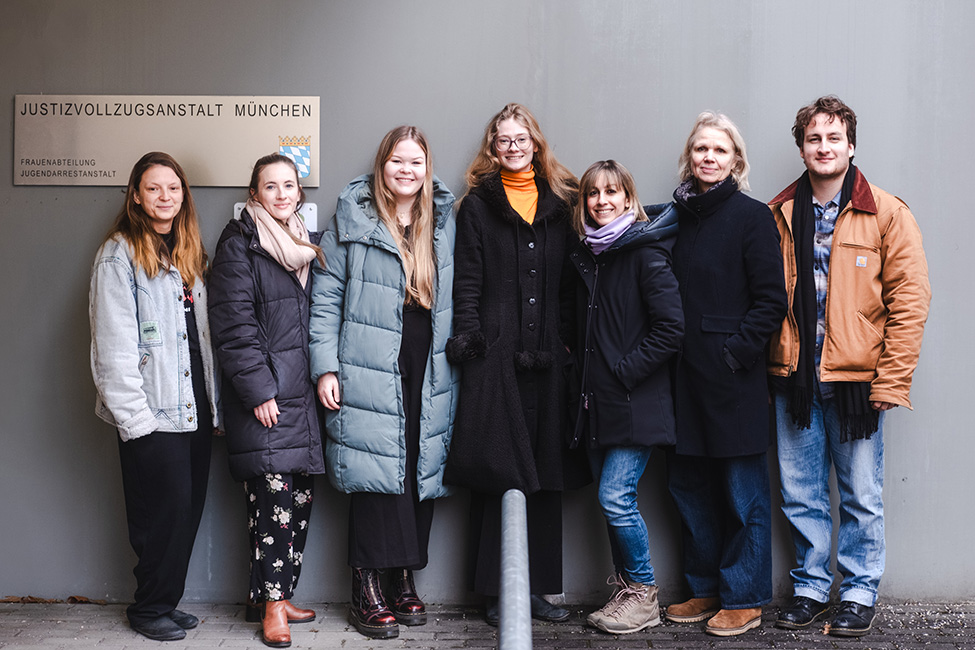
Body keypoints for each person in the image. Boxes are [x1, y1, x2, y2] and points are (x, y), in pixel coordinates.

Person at [768, 96, 930, 638]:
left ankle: (859, 591)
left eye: (833, 138)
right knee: (800, 492)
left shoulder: (886, 211)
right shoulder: (778, 213)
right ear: (802, 147)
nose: (823, 147)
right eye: (814, 139)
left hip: (858, 382)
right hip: (795, 378)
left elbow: (910, 302)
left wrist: (892, 380)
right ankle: (811, 588)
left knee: (861, 492)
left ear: (851, 145)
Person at [309, 126, 458, 640]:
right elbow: (325, 297)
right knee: (375, 468)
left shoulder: (443, 221)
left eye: (416, 161)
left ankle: (402, 577)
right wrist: (325, 366)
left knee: (418, 462)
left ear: (427, 167)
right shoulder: (352, 218)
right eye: (398, 160)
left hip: (429, 361)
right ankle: (365, 586)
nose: (407, 170)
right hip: (369, 359)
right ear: (382, 164)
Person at [444, 102, 584, 626]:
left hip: (549, 358)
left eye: (520, 137)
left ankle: (538, 590)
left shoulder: (560, 204)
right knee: (498, 468)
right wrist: (472, 342)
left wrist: (567, 346)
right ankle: (495, 592)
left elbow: (569, 285)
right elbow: (469, 279)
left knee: (544, 472)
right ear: (492, 148)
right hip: (495, 357)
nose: (512, 145)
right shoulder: (478, 207)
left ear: (536, 143)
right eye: (502, 139)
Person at [664, 112, 788, 637]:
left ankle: (745, 596)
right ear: (689, 157)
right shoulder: (675, 216)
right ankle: (706, 588)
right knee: (690, 490)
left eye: (719, 150)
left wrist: (734, 356)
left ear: (735, 159)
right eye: (700, 149)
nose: (709, 158)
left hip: (732, 379)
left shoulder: (751, 216)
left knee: (743, 495)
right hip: (682, 380)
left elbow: (770, 301)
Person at [89, 152, 220, 642]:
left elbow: (200, 338)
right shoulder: (118, 254)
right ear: (136, 196)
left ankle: (163, 601)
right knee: (160, 518)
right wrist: (135, 421)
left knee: (185, 513)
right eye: (154, 188)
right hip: (152, 412)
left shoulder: (187, 252)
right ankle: (148, 611)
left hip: (194, 410)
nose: (165, 197)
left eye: (173, 188)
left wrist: (216, 407)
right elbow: (113, 346)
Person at [208, 153, 326, 648]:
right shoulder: (240, 245)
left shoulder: (304, 244)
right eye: (270, 187)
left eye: (289, 186)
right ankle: (272, 609)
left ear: (299, 193)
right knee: (272, 503)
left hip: (301, 396)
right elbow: (234, 327)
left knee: (297, 500)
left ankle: (277, 594)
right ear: (254, 195)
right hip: (267, 398)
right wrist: (258, 391)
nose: (281, 194)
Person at [564, 161, 683, 634]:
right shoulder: (591, 257)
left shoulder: (645, 252)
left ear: (629, 199)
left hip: (636, 399)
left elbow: (671, 327)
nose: (602, 201)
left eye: (612, 192)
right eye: (593, 194)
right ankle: (626, 595)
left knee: (616, 496)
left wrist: (625, 372)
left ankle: (643, 594)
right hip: (599, 403)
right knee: (612, 496)